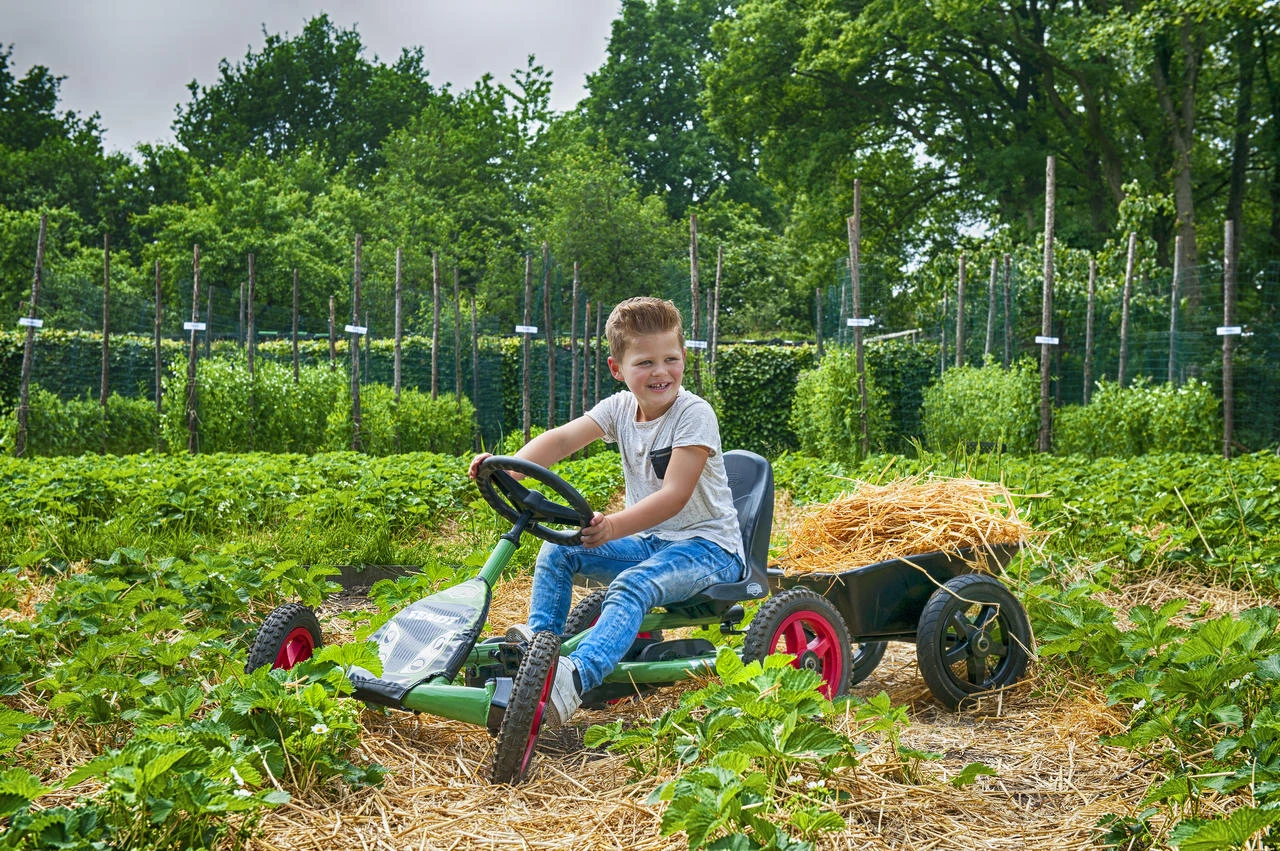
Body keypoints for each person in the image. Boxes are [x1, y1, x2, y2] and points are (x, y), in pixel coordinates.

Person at [468, 296, 744, 727]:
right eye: (645, 362)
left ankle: (575, 678)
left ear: (684, 359)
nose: (660, 372)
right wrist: (508, 469)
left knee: (633, 585)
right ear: (618, 369)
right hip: (653, 544)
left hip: (709, 548)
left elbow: (674, 495)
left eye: (670, 359)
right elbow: (561, 440)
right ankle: (541, 650)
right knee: (559, 551)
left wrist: (613, 526)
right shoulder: (619, 408)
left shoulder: (694, 414)